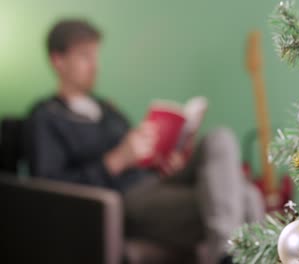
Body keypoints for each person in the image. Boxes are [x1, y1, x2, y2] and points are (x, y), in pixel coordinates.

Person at [24, 19, 264, 264]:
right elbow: (48, 188)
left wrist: (164, 159)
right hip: (124, 199)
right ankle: (225, 255)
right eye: (85, 57)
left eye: (96, 56)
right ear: (58, 61)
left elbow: (141, 157)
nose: (95, 66)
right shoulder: (46, 117)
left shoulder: (108, 110)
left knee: (220, 137)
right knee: (246, 196)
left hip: (157, 183)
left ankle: (227, 255)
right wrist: (115, 161)